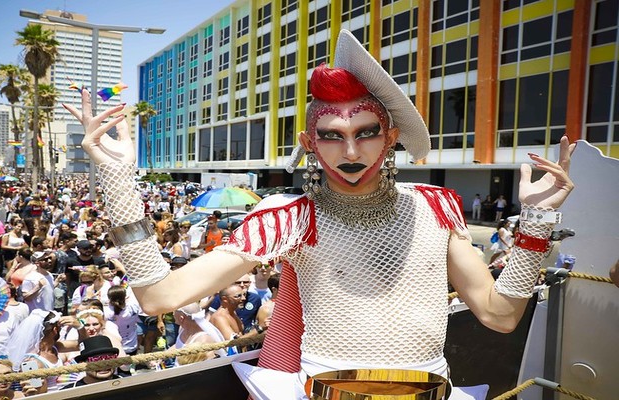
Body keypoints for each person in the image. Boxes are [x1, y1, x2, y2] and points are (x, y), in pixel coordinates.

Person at [68, 30, 576, 399]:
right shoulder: (287, 216)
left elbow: (501, 315)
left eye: (365, 132)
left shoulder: (434, 206)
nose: (349, 150)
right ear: (311, 145)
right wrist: (117, 182)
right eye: (332, 135)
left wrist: (534, 227)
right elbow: (160, 297)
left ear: (391, 136)